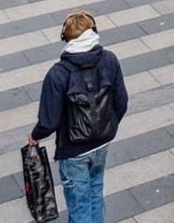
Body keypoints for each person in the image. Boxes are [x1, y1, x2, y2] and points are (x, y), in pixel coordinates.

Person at [28, 11, 130, 223]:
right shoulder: (110, 60)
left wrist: (35, 136)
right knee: (95, 193)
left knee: (79, 206)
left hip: (73, 150)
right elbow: (121, 102)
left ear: (66, 38)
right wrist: (107, 127)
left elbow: (49, 121)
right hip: (102, 143)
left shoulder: (58, 74)